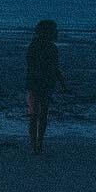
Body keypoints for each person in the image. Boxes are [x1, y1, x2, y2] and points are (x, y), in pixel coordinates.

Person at [25, 19, 67, 155]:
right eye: (54, 30)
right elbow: (54, 67)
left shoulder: (35, 45)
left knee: (35, 114)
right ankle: (38, 143)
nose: (57, 33)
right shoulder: (50, 48)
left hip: (36, 82)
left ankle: (35, 143)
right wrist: (62, 83)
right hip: (43, 82)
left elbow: (31, 64)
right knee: (41, 114)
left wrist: (62, 82)